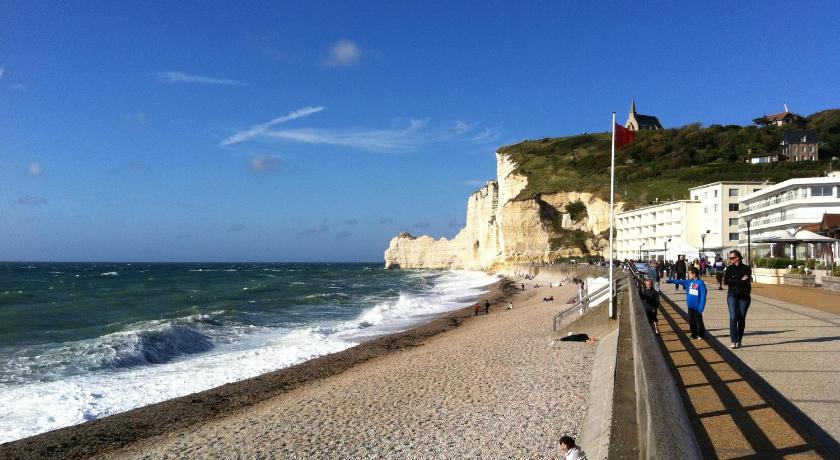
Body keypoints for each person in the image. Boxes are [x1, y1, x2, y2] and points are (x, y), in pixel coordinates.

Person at [667, 267, 707, 339]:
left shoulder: (700, 283)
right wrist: (669, 281)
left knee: (698, 321)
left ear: (694, 274)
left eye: (689, 273)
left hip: (697, 306)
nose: (688, 275)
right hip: (690, 305)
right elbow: (679, 281)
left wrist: (701, 307)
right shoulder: (689, 282)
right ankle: (693, 334)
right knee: (691, 321)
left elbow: (703, 296)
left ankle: (701, 333)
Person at [723, 250, 752, 349]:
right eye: (730, 258)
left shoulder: (747, 268)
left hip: (744, 296)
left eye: (731, 258)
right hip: (732, 295)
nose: (730, 260)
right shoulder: (729, 268)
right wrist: (739, 280)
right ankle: (733, 340)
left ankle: (739, 340)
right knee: (733, 317)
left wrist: (734, 280)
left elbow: (746, 281)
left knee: (741, 318)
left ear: (737, 258)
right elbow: (726, 281)